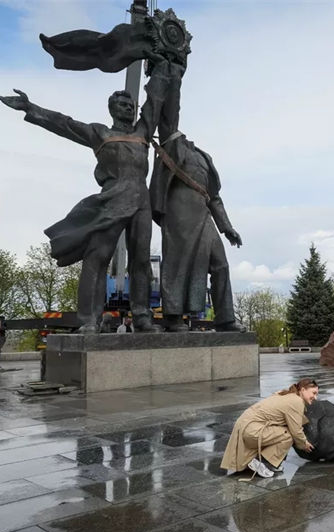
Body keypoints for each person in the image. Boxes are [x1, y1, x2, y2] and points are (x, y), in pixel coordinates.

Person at [0, 59, 180, 333]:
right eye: (123, 105)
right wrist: (31, 107)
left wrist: (165, 69)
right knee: (98, 257)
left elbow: (154, 100)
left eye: (131, 106)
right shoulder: (99, 132)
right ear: (112, 109)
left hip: (141, 200)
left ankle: (142, 316)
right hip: (112, 198)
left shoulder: (143, 131)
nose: (128, 108)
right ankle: (89, 320)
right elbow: (65, 124)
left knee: (141, 260)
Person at [148, 55, 245, 333]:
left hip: (204, 216)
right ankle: (173, 317)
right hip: (178, 214)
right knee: (177, 264)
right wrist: (174, 76)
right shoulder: (172, 145)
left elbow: (214, 196)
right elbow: (170, 112)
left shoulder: (203, 155)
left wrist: (227, 228)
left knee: (221, 265)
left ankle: (225, 318)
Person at [221, 378, 318, 478]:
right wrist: (303, 443)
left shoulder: (285, 394)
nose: (315, 397)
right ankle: (262, 463)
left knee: (283, 430)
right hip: (252, 430)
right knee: (288, 435)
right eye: (313, 393)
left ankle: (271, 463)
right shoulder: (296, 401)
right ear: (302, 390)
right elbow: (296, 431)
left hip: (247, 427)